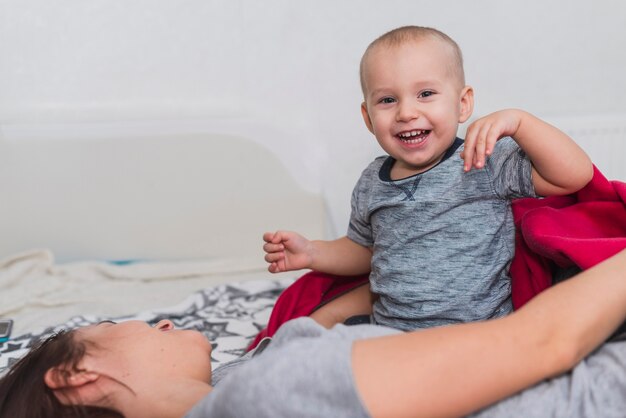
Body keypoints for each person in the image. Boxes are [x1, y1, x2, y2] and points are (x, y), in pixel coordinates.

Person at [1, 249, 626, 417]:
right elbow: (546, 342)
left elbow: (320, 320)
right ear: (75, 377)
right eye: (117, 321)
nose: (161, 319)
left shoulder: (249, 378)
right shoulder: (265, 397)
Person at [263, 26, 593, 331]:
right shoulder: (372, 181)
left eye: (425, 94)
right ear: (368, 117)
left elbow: (574, 176)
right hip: (389, 334)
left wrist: (521, 122)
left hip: (477, 336)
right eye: (387, 100)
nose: (406, 112)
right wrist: (312, 252)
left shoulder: (484, 160)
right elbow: (365, 250)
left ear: (462, 104)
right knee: (310, 339)